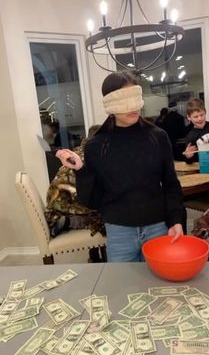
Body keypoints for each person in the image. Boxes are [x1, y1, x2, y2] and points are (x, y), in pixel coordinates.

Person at [56, 71, 184, 262]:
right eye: (124, 100)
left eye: (135, 97)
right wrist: (82, 170)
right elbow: (91, 201)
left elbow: (171, 184)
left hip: (157, 226)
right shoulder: (97, 145)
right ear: (110, 104)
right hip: (119, 231)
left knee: (160, 287)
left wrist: (176, 220)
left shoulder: (158, 137)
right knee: (124, 289)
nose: (132, 107)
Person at [45, 125, 106, 262]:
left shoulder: (78, 152)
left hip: (54, 207)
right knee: (105, 218)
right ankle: (102, 259)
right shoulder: (92, 159)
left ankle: (95, 256)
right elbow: (90, 197)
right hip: (67, 210)